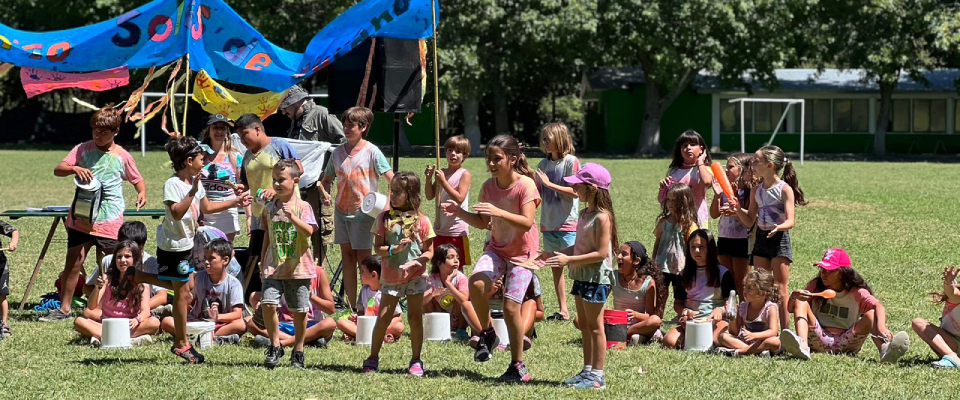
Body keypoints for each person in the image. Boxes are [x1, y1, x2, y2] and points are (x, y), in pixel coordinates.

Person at [440, 134, 541, 383]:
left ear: (513, 159)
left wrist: (498, 211)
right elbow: (483, 223)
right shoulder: (488, 186)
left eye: (497, 159)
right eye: (489, 159)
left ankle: (517, 365)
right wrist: (459, 212)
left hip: (523, 255)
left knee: (510, 307)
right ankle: (487, 333)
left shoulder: (526, 185)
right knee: (475, 284)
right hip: (496, 249)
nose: (492, 164)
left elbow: (527, 222)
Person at [44, 106, 147, 321]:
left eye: (103, 132)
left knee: (109, 266)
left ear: (115, 132)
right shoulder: (82, 149)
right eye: (95, 131)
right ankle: (64, 309)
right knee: (73, 263)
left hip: (109, 221)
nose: (97, 136)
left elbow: (137, 179)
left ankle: (108, 308)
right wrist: (73, 168)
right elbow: (57, 169)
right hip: (81, 218)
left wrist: (142, 193)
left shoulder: (122, 156)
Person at [153, 135, 250, 364]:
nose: (204, 160)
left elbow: (207, 207)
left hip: (187, 245)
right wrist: (192, 190)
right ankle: (181, 343)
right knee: (182, 293)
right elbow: (176, 213)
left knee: (184, 290)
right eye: (200, 157)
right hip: (173, 246)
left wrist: (235, 202)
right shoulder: (174, 184)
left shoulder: (195, 182)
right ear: (188, 161)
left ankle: (139, 277)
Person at [544, 163, 616, 390]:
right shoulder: (585, 213)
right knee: (584, 325)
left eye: (579, 186)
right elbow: (579, 246)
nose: (575, 190)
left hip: (597, 278)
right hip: (582, 275)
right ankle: (586, 371)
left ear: (592, 188)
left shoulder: (603, 217)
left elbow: (601, 253)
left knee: (596, 327)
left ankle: (598, 376)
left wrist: (568, 261)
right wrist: (554, 254)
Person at [320, 107, 394, 311]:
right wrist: (325, 192)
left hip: (364, 214)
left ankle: (369, 305)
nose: (346, 128)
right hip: (341, 212)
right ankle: (353, 306)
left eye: (350, 125)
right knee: (347, 257)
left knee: (365, 261)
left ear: (363, 127)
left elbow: (392, 178)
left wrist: (388, 204)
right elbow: (326, 180)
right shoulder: (336, 153)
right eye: (344, 124)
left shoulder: (372, 151)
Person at [362, 172, 435, 376]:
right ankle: (373, 357)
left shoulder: (422, 221)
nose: (392, 195)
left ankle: (416, 360)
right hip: (392, 277)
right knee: (383, 317)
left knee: (414, 318)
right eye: (391, 191)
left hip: (416, 276)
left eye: (397, 192)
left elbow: (429, 251)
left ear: (410, 194)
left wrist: (417, 262)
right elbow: (378, 249)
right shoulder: (384, 219)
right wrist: (394, 250)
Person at [780, 248, 910, 363]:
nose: (824, 274)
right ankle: (802, 346)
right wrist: (794, 296)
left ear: (843, 272)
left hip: (847, 341)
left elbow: (878, 307)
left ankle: (884, 350)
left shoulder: (857, 292)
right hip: (818, 338)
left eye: (830, 270)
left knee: (871, 314)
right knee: (801, 301)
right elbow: (791, 308)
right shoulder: (816, 286)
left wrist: (881, 327)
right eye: (822, 269)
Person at [730, 145, 807, 328]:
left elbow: (790, 220)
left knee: (780, 288)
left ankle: (786, 331)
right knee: (761, 286)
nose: (753, 164)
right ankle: (765, 328)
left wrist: (779, 227)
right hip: (761, 239)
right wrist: (736, 210)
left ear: (770, 165)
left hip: (779, 240)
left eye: (757, 161)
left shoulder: (784, 189)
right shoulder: (757, 190)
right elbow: (749, 221)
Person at [259, 159, 319, 369]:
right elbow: (267, 235)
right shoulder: (269, 208)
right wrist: (262, 259)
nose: (276, 184)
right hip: (273, 266)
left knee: (300, 310)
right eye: (274, 180)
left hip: (299, 268)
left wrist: (293, 218)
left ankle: (299, 349)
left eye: (281, 180)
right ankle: (275, 345)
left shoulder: (303, 207)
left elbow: (310, 231)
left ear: (295, 181)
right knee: (268, 304)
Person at [281, 85, 345, 263]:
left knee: (317, 225)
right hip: (295, 182)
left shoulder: (322, 114)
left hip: (317, 183)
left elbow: (343, 142)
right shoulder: (296, 119)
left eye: (285, 106)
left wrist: (328, 172)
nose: (283, 111)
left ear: (295, 102)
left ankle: (318, 268)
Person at [236, 113, 300, 291]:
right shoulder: (247, 155)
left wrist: (276, 188)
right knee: (259, 256)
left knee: (284, 252)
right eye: (239, 136)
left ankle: (289, 294)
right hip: (260, 215)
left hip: (284, 212)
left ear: (257, 129)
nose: (242, 140)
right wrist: (241, 188)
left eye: (244, 134)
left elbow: (298, 170)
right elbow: (246, 182)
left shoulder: (279, 146)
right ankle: (262, 292)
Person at [534, 123, 580, 322]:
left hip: (568, 224)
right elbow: (536, 193)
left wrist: (549, 184)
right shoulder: (542, 166)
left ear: (560, 139)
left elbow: (576, 191)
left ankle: (582, 306)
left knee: (576, 268)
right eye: (543, 138)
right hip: (549, 224)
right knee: (556, 268)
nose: (544, 142)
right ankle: (563, 310)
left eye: (548, 138)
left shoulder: (571, 162)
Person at [159, 239, 245, 345]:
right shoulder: (199, 277)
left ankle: (199, 337)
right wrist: (187, 302)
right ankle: (211, 338)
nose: (206, 262)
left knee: (242, 324)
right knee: (167, 321)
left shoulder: (233, 284)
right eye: (205, 258)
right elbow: (189, 301)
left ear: (225, 260)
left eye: (211, 258)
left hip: (219, 324)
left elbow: (237, 314)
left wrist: (217, 317)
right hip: (197, 322)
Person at [73, 241, 160, 347]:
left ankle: (105, 338)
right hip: (108, 324)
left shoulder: (142, 283)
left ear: (135, 259)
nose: (122, 260)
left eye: (127, 256)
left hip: (129, 325)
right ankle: (128, 339)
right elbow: (91, 306)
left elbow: (145, 311)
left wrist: (137, 320)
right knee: (79, 322)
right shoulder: (107, 278)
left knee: (154, 322)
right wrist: (97, 288)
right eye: (119, 257)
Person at [662, 229, 735, 350]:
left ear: (710, 248)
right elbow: (678, 304)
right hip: (692, 322)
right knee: (669, 341)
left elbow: (732, 305)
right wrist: (684, 311)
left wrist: (720, 310)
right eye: (693, 247)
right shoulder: (683, 274)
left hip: (716, 321)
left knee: (719, 339)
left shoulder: (723, 273)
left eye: (701, 247)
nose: (697, 251)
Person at [82, 221, 166, 314]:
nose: (123, 260)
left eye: (131, 249)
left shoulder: (150, 263)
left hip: (138, 311)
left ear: (142, 246)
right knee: (88, 313)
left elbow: (162, 296)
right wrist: (106, 301)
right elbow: (87, 288)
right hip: (111, 311)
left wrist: (137, 309)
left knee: (153, 322)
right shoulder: (108, 260)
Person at [425, 135, 473, 269]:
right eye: (450, 150)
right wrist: (429, 179)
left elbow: (459, 198)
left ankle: (458, 289)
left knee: (456, 266)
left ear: (465, 155)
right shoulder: (442, 172)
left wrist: (443, 182)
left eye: (458, 152)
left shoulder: (464, 174)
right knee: (438, 266)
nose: (453, 154)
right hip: (440, 228)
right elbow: (430, 196)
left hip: (456, 230)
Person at [199, 113, 249, 242]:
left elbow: (243, 189)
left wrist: (249, 216)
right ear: (208, 130)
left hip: (227, 211)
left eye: (223, 128)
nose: (219, 131)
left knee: (224, 251)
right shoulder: (199, 155)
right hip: (202, 210)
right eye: (215, 127)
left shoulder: (235, 156)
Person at [652, 183, 698, 317]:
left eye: (674, 200)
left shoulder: (689, 225)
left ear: (684, 202)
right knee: (660, 297)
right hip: (662, 266)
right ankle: (656, 325)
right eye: (668, 199)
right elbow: (658, 242)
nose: (670, 203)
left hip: (681, 268)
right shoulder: (663, 222)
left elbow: (692, 246)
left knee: (681, 298)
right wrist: (654, 260)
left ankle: (682, 320)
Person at [710, 153, 753, 298]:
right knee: (727, 279)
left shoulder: (748, 192)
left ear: (741, 170)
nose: (725, 170)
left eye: (730, 167)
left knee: (741, 280)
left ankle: (745, 311)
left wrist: (735, 203)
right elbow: (714, 214)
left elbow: (748, 218)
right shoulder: (723, 190)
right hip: (724, 237)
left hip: (742, 240)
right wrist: (717, 195)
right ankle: (729, 313)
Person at [336, 256, 404, 343]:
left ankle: (361, 335)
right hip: (366, 325)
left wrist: (384, 324)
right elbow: (361, 312)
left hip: (382, 326)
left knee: (399, 327)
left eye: (363, 271)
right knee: (341, 322)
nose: (360, 274)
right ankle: (380, 337)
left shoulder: (387, 292)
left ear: (373, 275)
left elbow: (398, 317)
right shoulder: (364, 290)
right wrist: (357, 318)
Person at [715, 269, 781, 357]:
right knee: (723, 336)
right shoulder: (743, 307)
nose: (744, 291)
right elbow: (733, 332)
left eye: (749, 288)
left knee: (775, 341)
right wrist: (732, 317)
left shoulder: (770, 308)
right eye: (745, 287)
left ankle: (739, 352)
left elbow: (773, 331)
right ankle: (755, 352)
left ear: (763, 293)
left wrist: (754, 335)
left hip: (763, 341)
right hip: (749, 342)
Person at [424, 243, 482, 339]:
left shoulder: (461, 278)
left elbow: (464, 300)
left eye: (457, 257)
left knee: (463, 300)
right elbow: (422, 302)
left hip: (458, 316)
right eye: (451, 257)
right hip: (442, 315)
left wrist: (448, 284)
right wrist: (432, 294)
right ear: (439, 262)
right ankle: (436, 326)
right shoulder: (432, 279)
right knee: (427, 299)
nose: (456, 261)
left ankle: (461, 330)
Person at [611, 241, 664, 345]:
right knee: (578, 320)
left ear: (636, 261)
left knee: (655, 320)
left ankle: (623, 335)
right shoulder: (613, 276)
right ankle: (632, 337)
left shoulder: (648, 283)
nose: (619, 257)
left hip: (638, 325)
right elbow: (601, 300)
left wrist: (635, 314)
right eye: (618, 253)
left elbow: (650, 316)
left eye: (624, 254)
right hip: (617, 323)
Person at [658, 130, 713, 228]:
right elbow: (663, 200)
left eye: (692, 144)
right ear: (679, 150)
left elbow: (707, 181)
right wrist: (662, 189)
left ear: (701, 149)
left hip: (698, 218)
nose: (688, 148)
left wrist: (700, 161)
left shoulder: (704, 169)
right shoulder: (674, 172)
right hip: (677, 219)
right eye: (684, 145)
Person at [913, 266, 960, 368]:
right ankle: (952, 358)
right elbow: (951, 292)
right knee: (918, 323)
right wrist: (948, 284)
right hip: (952, 344)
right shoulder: (957, 297)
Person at [0, 219, 19, 338]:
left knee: (1, 295)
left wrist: (13, 242)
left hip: (0, 266)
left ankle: (4, 324)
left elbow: (14, 231)